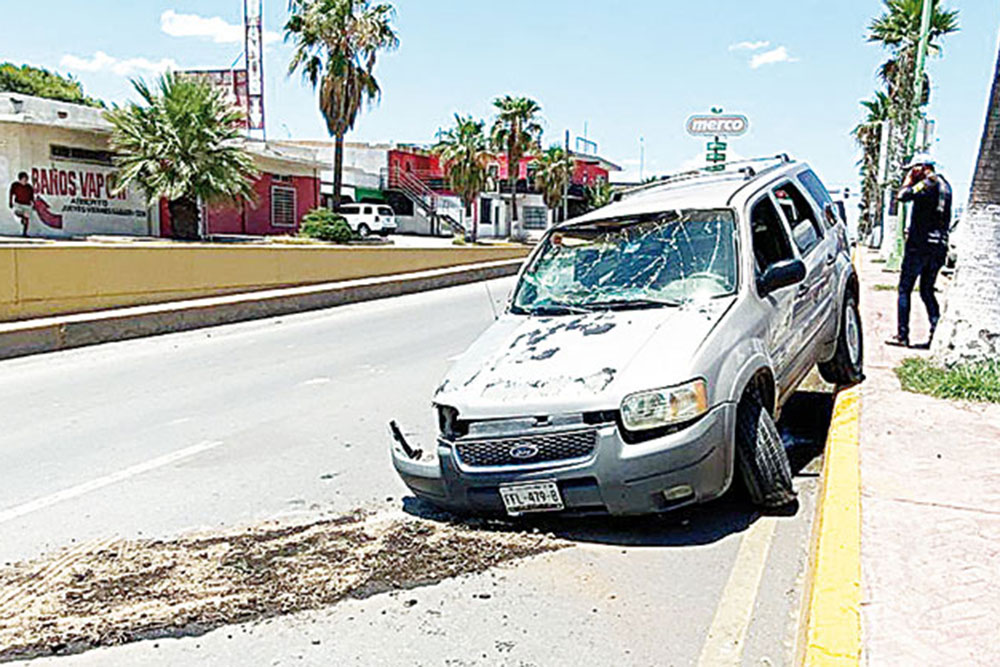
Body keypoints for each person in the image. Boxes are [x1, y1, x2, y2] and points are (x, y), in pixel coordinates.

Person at [886, 154, 952, 348]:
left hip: (920, 245)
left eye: (912, 169)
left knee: (905, 289)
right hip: (939, 246)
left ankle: (902, 335)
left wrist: (907, 181)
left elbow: (902, 196)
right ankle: (936, 331)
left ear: (921, 168)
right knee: (926, 290)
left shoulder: (927, 184)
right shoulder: (945, 184)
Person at [8, 172, 34, 237]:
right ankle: (22, 217)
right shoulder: (15, 185)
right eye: (24, 180)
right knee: (17, 212)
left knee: (27, 219)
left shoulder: (29, 187)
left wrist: (33, 204)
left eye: (26, 180)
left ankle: (24, 233)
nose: (25, 181)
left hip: (27, 204)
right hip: (18, 203)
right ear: (20, 179)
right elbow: (11, 193)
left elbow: (32, 196)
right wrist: (10, 202)